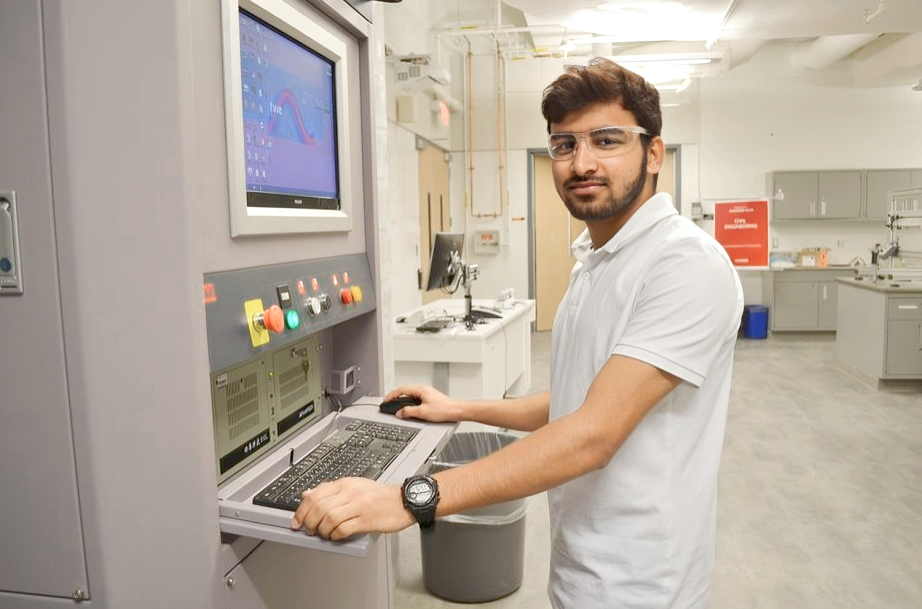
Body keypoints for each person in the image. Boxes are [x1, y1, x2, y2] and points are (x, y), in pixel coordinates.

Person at [292, 57, 744, 609]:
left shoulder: (685, 265)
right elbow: (574, 401)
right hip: (581, 565)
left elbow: (593, 434)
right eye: (563, 145)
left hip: (643, 582)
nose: (582, 163)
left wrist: (411, 498)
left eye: (606, 140)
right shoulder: (594, 262)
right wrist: (459, 408)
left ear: (654, 154)